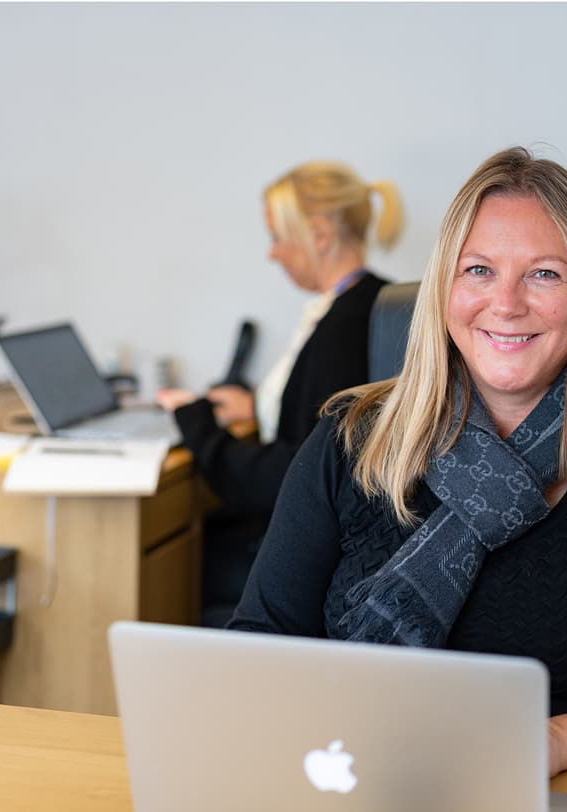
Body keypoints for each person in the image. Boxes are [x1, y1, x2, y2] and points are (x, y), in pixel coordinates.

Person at [229, 147, 567, 776]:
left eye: (545, 274)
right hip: (355, 776)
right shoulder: (352, 444)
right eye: (478, 270)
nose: (505, 303)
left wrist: (563, 741)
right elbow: (259, 649)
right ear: (445, 286)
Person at [158, 160, 404, 625]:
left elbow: (297, 472)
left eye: (276, 236)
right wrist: (256, 409)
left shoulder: (340, 330)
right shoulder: (371, 302)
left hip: (316, 547)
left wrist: (197, 425)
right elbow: (322, 419)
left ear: (319, 234)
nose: (272, 253)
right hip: (341, 532)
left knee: (181, 554)